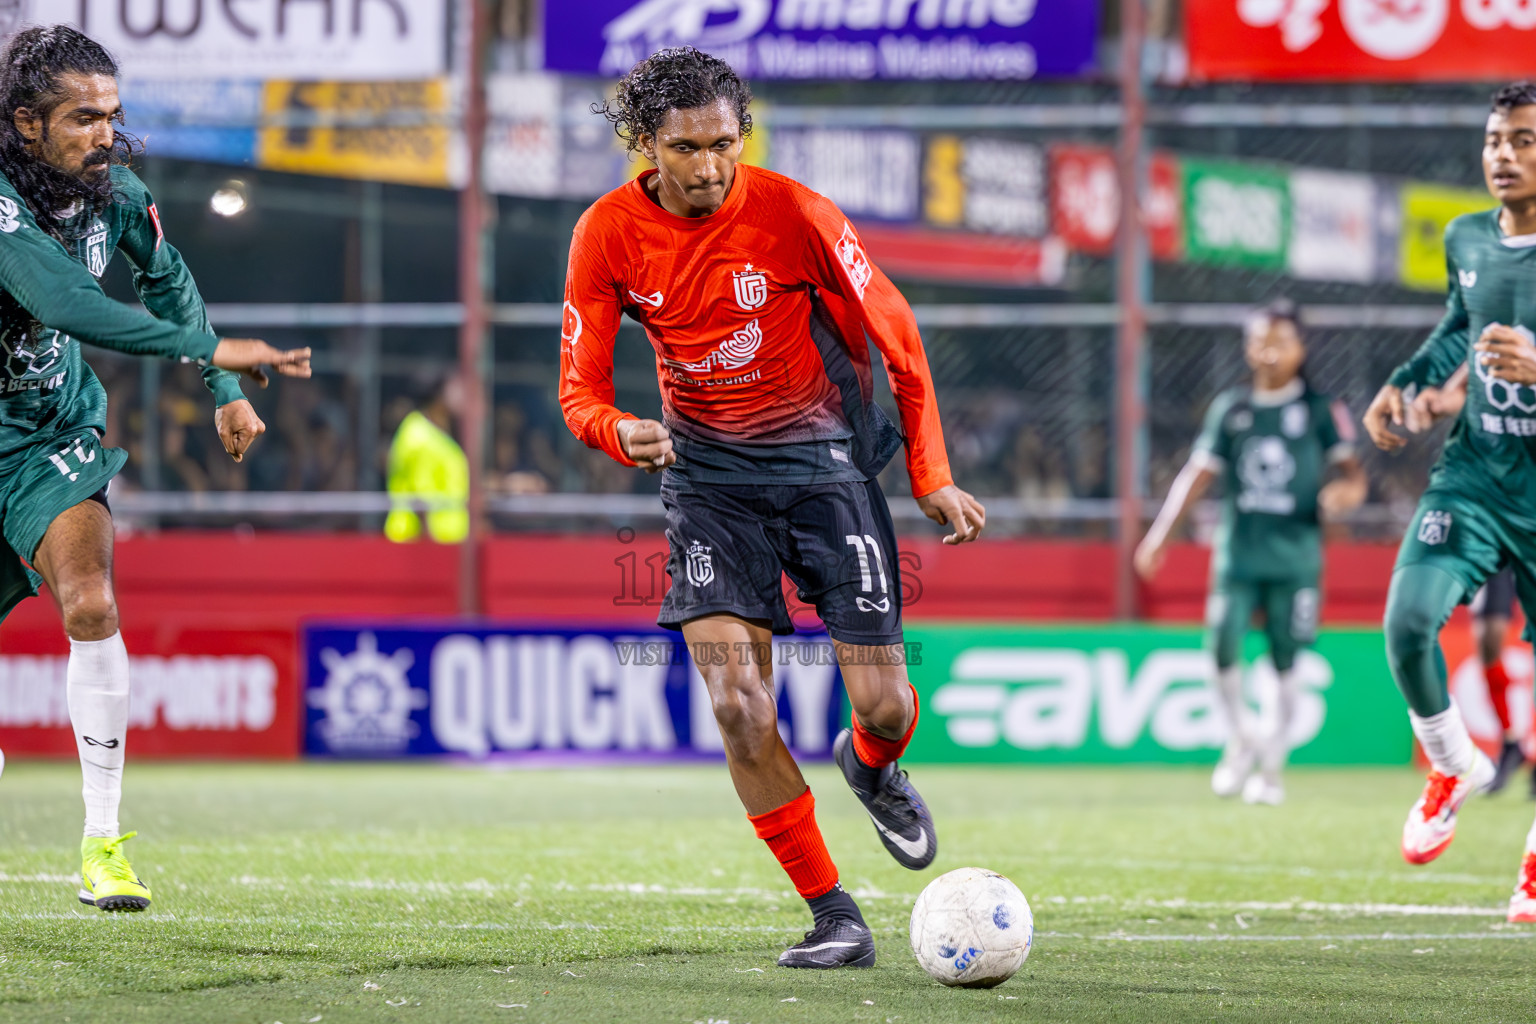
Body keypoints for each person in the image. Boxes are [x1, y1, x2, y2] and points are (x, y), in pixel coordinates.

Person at [558, 47, 985, 969]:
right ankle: (836, 915)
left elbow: (898, 335)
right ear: (644, 145)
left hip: (825, 470)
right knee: (740, 707)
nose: (709, 167)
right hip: (708, 485)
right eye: (686, 149)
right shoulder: (606, 234)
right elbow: (578, 389)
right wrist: (614, 430)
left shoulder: (797, 213)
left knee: (880, 702)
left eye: (724, 144)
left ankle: (872, 768)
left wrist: (930, 472)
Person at [0, 27, 310, 911]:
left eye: (113, 116)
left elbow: (167, 279)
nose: (106, 134)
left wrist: (221, 383)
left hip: (50, 432)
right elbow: (68, 302)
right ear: (27, 123)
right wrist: (217, 347)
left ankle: (103, 843)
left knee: (91, 602)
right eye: (82, 119)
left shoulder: (117, 195)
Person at [1363, 81, 1536, 922]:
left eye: (1525, 141)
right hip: (1474, 476)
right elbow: (1455, 330)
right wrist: (1408, 381)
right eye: (1496, 140)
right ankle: (1453, 763)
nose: (1505, 155)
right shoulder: (1468, 237)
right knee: (1406, 622)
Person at [1135, 301, 1366, 806]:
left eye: (1281, 341)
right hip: (1238, 556)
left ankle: (1272, 768)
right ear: (1248, 347)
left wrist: (1342, 496)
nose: (1269, 350)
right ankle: (1240, 736)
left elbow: (1353, 476)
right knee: (1221, 645)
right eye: (1261, 340)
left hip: (1297, 559)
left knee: (1287, 666)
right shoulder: (1232, 410)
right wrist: (1159, 536)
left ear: (1301, 349)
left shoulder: (1322, 410)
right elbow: (1196, 475)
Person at [1409, 366, 1531, 795]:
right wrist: (1440, 400)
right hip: (1492, 510)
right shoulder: (1488, 336)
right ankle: (1513, 741)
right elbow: (1465, 400)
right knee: (1488, 642)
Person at [384, 374, 469, 543]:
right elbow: (420, 501)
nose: (464, 395)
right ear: (439, 395)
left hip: (448, 543)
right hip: (418, 544)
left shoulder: (440, 433)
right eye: (456, 389)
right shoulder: (418, 434)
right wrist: (430, 549)